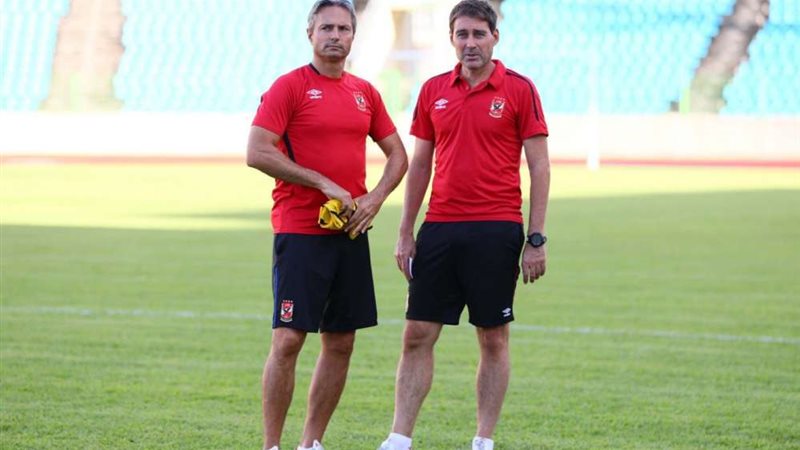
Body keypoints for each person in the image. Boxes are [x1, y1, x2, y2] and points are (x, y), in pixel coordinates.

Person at [378, 1, 550, 449]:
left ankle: (482, 440)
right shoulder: (433, 90)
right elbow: (420, 164)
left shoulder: (520, 89)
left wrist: (535, 239)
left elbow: (539, 165)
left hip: (496, 229)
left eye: (478, 34)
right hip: (440, 228)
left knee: (492, 337)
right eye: (462, 35)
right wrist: (405, 231)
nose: (470, 43)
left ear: (495, 37)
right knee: (417, 334)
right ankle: (399, 438)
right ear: (451, 39)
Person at [246, 1, 408, 449]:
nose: (335, 35)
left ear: (353, 35)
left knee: (341, 342)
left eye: (343, 28)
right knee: (288, 340)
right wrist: (321, 182)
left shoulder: (365, 93)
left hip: (349, 233)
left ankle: (311, 443)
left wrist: (374, 199)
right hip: (299, 231)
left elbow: (399, 155)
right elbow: (257, 151)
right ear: (310, 33)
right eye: (326, 28)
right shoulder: (289, 87)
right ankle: (272, 445)